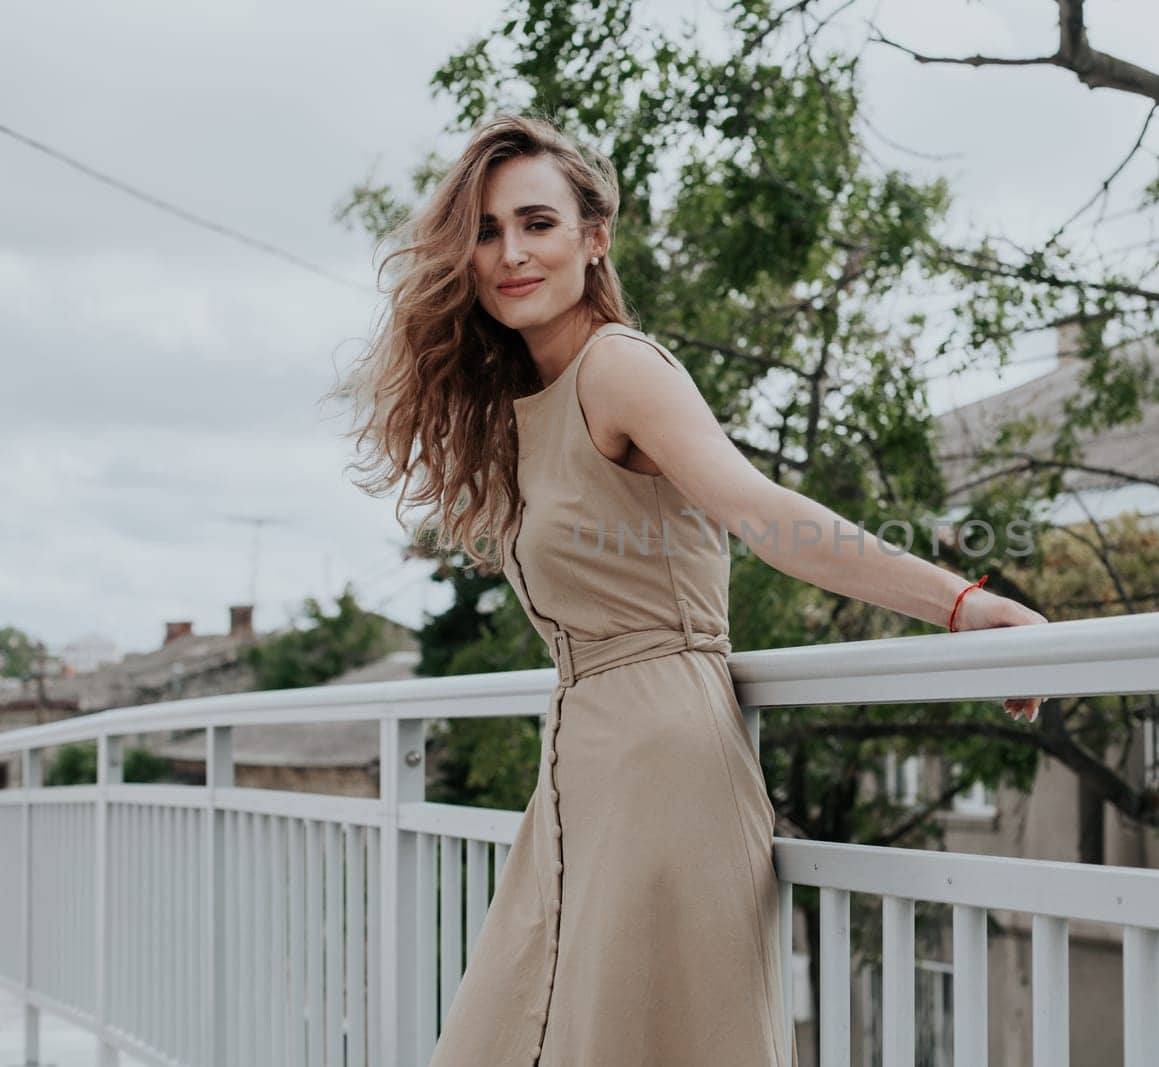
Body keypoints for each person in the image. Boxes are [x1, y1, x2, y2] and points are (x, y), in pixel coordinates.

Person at [341, 112, 1046, 1066]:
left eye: (537, 224)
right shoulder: (525, 404)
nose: (510, 252)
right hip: (584, 766)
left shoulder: (619, 367)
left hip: (665, 763)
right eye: (486, 230)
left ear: (596, 239)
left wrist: (962, 604)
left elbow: (766, 516)